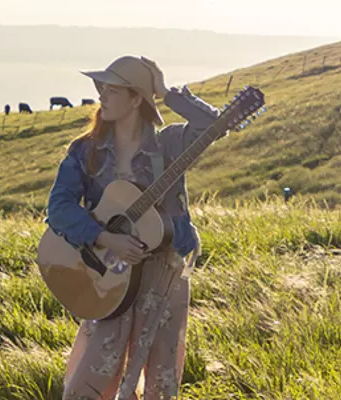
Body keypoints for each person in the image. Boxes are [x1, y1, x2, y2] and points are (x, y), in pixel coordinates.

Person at [45, 55, 221, 399]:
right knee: (94, 375)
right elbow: (59, 208)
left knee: (161, 375)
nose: (101, 96)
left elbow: (212, 125)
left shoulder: (169, 144)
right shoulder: (86, 150)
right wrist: (105, 235)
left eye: (112, 89)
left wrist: (166, 92)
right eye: (101, 88)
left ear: (136, 98)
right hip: (109, 274)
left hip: (163, 272)